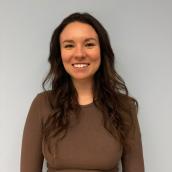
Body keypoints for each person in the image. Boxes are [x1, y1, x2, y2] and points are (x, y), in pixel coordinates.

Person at [20, 12, 144, 172]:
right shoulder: (42, 104)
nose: (79, 54)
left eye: (89, 44)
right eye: (69, 45)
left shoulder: (124, 107)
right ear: (60, 53)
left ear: (102, 51)